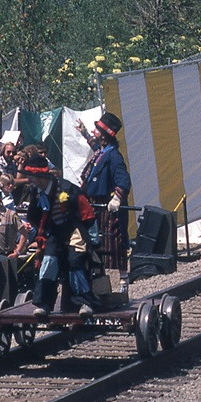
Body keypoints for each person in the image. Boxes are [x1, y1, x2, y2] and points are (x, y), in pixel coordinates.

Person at [23, 153, 98, 317]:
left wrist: (93, 239)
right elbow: (33, 215)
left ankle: (84, 302)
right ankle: (44, 304)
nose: (30, 180)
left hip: (74, 229)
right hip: (54, 232)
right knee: (48, 263)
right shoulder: (36, 191)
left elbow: (87, 213)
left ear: (41, 176)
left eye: (32, 176)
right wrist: (44, 231)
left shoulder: (68, 189)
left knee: (75, 262)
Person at [81, 112, 131, 297]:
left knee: (114, 245)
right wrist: (84, 133)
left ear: (104, 134)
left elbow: (124, 181)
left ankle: (124, 282)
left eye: (97, 130)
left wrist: (117, 198)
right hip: (93, 205)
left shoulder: (114, 156)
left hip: (107, 207)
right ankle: (98, 282)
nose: (95, 132)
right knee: (94, 244)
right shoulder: (102, 152)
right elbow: (95, 147)